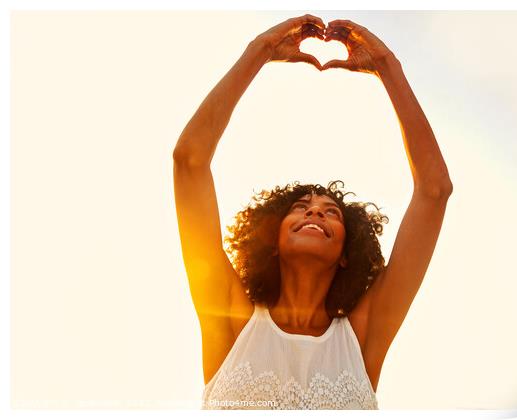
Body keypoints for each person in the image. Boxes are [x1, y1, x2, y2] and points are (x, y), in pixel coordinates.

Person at [172, 14, 453, 410]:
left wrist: (387, 67)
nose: (315, 213)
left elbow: (435, 191)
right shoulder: (232, 318)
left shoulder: (360, 338)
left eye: (331, 213)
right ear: (273, 240)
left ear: (346, 255)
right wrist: (260, 50)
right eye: (301, 208)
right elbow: (189, 162)